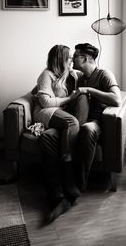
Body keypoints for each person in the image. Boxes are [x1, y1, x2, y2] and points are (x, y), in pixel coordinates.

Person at [33, 44, 89, 223]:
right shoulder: (46, 75)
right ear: (60, 60)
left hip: (60, 116)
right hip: (46, 113)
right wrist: (69, 98)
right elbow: (45, 102)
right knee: (72, 122)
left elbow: (90, 73)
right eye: (68, 58)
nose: (71, 60)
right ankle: (69, 179)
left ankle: (56, 196)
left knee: (48, 137)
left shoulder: (69, 75)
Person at [73, 43, 121, 192]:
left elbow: (116, 99)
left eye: (75, 56)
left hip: (97, 122)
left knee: (87, 129)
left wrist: (89, 90)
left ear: (85, 59)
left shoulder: (104, 74)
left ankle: (79, 185)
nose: (72, 59)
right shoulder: (79, 78)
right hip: (80, 118)